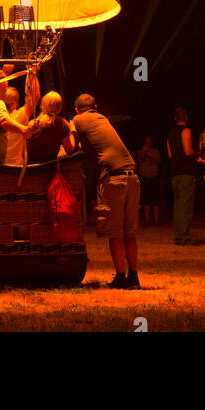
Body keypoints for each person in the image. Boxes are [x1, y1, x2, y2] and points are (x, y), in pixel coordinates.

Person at [73, 93, 140, 289]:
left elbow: (70, 146)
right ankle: (133, 277)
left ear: (76, 109)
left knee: (115, 232)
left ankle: (120, 277)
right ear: (96, 107)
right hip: (132, 176)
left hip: (113, 178)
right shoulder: (103, 119)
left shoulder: (77, 120)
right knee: (130, 232)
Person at [167, 107, 197, 245]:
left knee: (177, 206)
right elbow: (187, 151)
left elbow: (170, 155)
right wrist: (197, 154)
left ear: (175, 118)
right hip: (186, 172)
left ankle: (178, 236)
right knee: (186, 206)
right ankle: (185, 237)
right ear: (186, 117)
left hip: (175, 173)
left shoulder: (170, 134)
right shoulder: (187, 131)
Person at [2, 68, 41, 166]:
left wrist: (4, 73)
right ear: (15, 104)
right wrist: (32, 73)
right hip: (15, 166)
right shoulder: (20, 116)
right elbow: (35, 97)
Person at [24, 92, 76, 162]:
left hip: (31, 169)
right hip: (48, 168)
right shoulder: (60, 123)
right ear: (59, 107)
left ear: (42, 105)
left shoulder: (31, 123)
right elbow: (70, 150)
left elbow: (23, 153)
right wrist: (73, 130)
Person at [137, 136, 161, 226]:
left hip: (154, 177)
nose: (148, 143)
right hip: (145, 178)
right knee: (146, 201)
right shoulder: (140, 151)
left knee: (155, 201)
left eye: (149, 141)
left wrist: (148, 154)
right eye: (146, 142)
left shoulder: (156, 151)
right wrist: (144, 152)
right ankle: (147, 221)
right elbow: (140, 159)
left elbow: (157, 161)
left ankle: (156, 221)